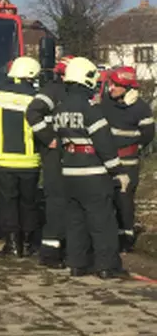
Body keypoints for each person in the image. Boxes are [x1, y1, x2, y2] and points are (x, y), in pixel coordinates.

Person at [51, 56, 130, 279]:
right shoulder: (91, 110)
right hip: (93, 174)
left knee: (75, 222)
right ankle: (106, 267)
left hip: (69, 173)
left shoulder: (59, 109)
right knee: (101, 221)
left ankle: (77, 264)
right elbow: (105, 145)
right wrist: (118, 172)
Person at [0, 56, 43, 258]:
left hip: (2, 160)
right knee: (28, 203)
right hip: (29, 162)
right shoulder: (37, 97)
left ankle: (12, 245)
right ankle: (27, 244)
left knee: (8, 203)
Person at [100, 66, 155, 253]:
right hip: (105, 161)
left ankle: (126, 237)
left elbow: (147, 135)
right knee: (105, 200)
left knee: (124, 201)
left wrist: (132, 147)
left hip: (127, 163)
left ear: (129, 88)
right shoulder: (105, 102)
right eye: (111, 84)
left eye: (116, 85)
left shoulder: (141, 108)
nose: (111, 88)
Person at [26, 55, 73, 268]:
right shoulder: (52, 92)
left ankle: (67, 249)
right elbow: (33, 111)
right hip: (55, 156)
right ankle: (50, 253)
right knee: (57, 201)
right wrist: (48, 138)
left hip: (71, 155)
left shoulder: (74, 93)